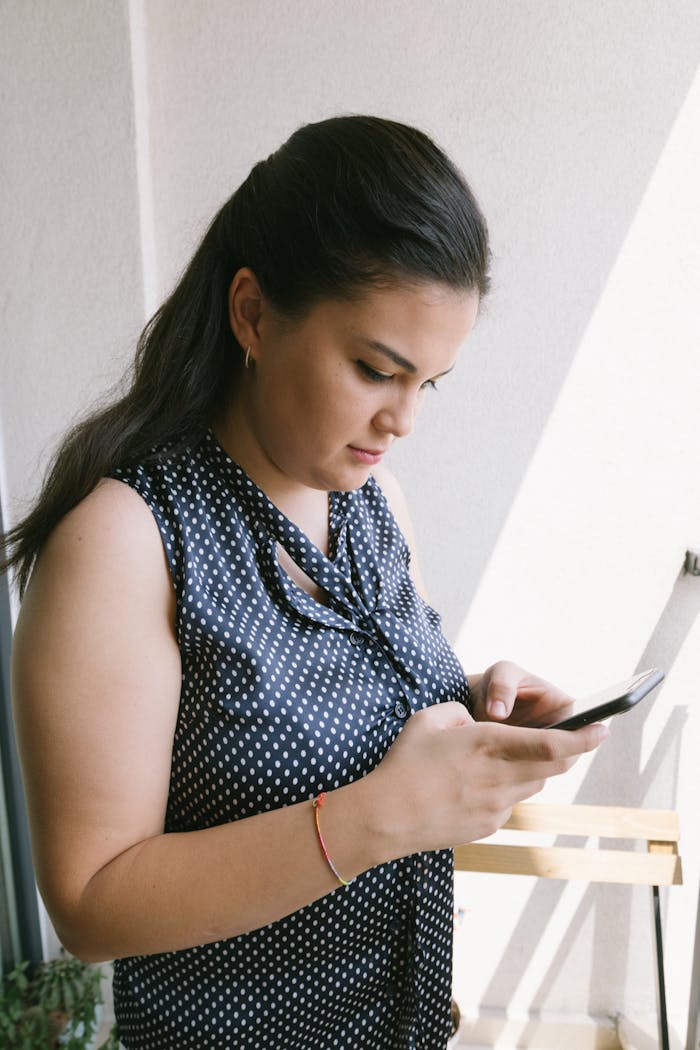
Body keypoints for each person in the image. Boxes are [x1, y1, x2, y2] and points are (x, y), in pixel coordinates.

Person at [2, 115, 607, 1050]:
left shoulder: (376, 504)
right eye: (376, 369)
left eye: (430, 384)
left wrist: (474, 723)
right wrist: (377, 817)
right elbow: (88, 899)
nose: (402, 418)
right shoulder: (127, 543)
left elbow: (348, 727)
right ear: (252, 312)